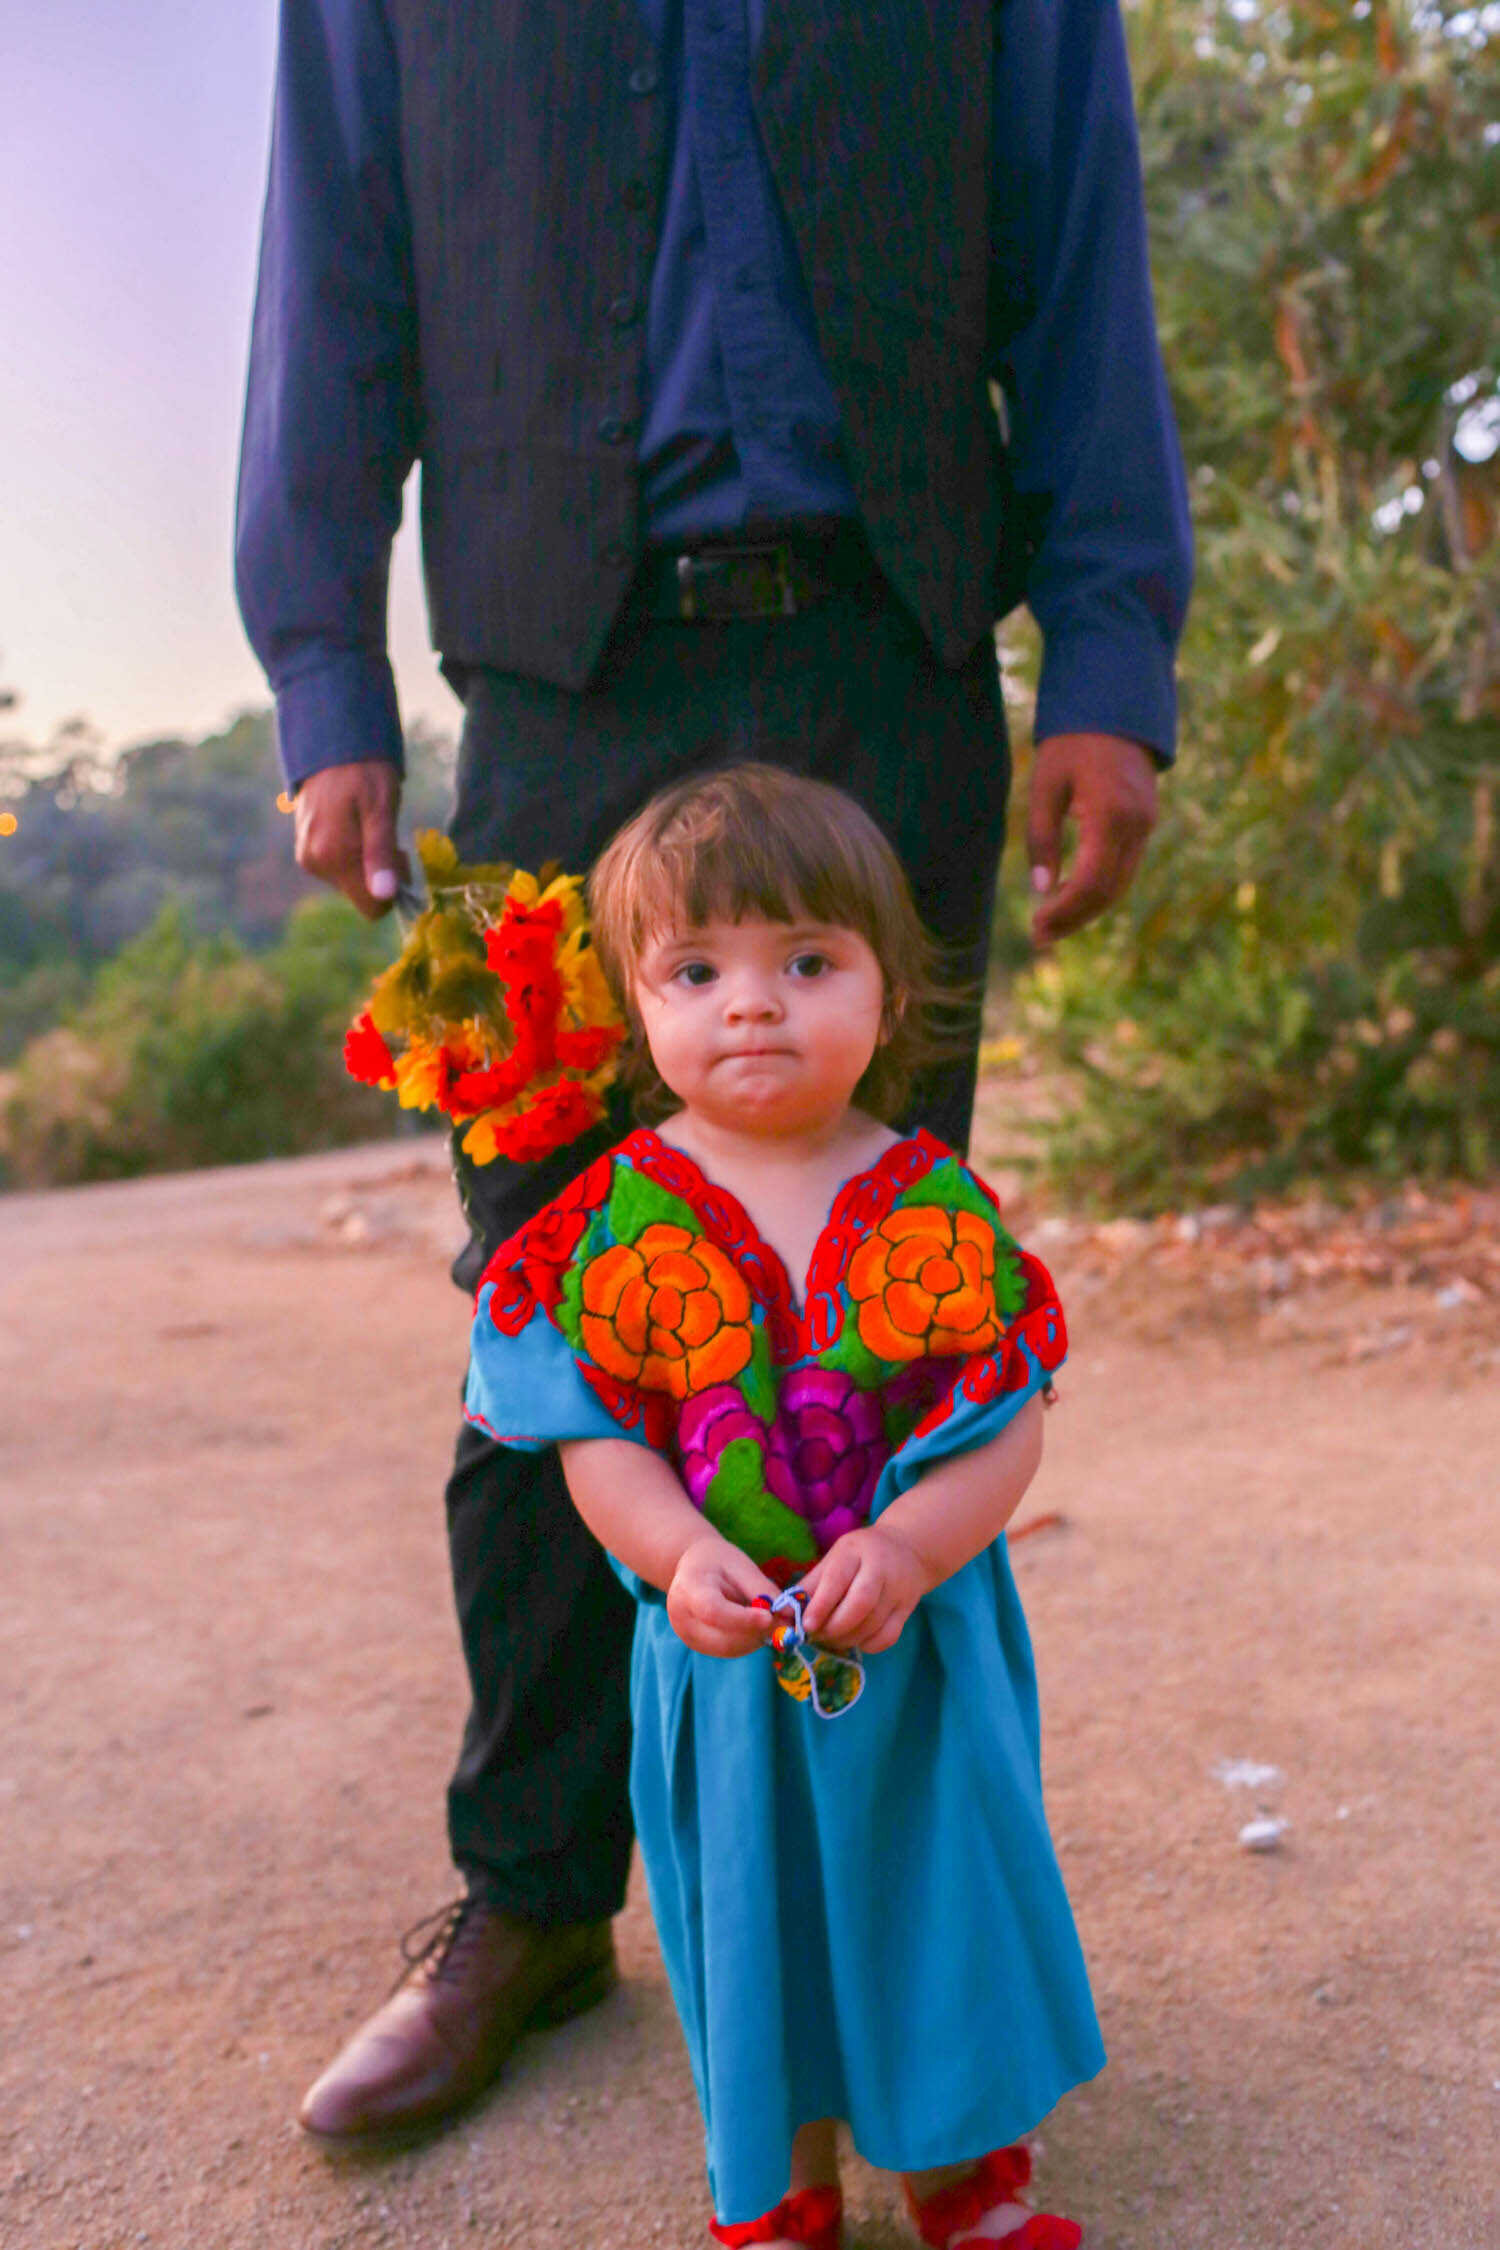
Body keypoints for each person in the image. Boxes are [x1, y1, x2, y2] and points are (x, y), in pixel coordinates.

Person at [235, 0, 1191, 2140]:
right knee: (549, 1332)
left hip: (892, 667)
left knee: (871, 1331)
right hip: (564, 699)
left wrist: (1112, 654)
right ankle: (534, 1900)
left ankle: (873, 1939)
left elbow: (1074, 257)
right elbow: (336, 277)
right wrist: (325, 672)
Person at [463, 765, 1097, 2249]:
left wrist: (912, 1541)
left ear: (891, 989)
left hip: (920, 1654)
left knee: (934, 1895)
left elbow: (1005, 1438)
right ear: (637, 1003)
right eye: (698, 971)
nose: (753, 1005)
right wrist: (679, 1554)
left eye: (807, 962)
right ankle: (788, 2179)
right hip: (727, 1662)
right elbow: (596, 1448)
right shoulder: (609, 1221)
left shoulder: (936, 1200)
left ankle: (956, 2174)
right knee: (753, 1918)